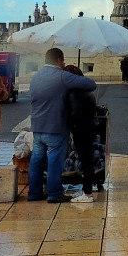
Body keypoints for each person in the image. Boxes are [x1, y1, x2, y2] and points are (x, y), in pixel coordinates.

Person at [28, 48, 97, 203]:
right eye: (63, 60)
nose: (64, 63)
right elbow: (90, 84)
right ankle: (54, 193)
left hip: (37, 126)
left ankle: (34, 193)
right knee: (54, 160)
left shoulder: (36, 77)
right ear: (59, 60)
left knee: (37, 160)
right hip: (55, 126)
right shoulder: (62, 76)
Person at [64, 65, 97, 203]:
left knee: (85, 160)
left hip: (81, 128)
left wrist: (69, 122)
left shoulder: (74, 92)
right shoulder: (85, 90)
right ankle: (86, 190)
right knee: (87, 159)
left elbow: (76, 113)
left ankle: (87, 193)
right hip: (89, 126)